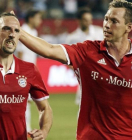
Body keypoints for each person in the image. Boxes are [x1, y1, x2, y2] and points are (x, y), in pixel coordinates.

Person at [13, 0, 132, 139]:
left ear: (128, 27)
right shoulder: (88, 51)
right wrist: (17, 30)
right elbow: (49, 49)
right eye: (106, 19)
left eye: (114, 21)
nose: (106, 25)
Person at [0, 12, 52, 140]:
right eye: (6, 29)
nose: (12, 34)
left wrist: (44, 131)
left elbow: (45, 108)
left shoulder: (29, 70)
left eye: (16, 31)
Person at [66, 8, 103, 106]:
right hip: (85, 76)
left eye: (90, 20)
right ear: (79, 21)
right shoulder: (72, 38)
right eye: (86, 20)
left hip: (101, 74)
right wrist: (78, 71)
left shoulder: (100, 33)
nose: (89, 22)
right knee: (83, 105)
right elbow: (68, 59)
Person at [16, 9, 42, 133]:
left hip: (30, 71)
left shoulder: (34, 31)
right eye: (38, 18)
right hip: (23, 72)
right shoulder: (23, 30)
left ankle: (26, 127)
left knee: (29, 102)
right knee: (24, 101)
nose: (40, 21)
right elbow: (20, 52)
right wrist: (21, 73)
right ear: (31, 18)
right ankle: (24, 128)